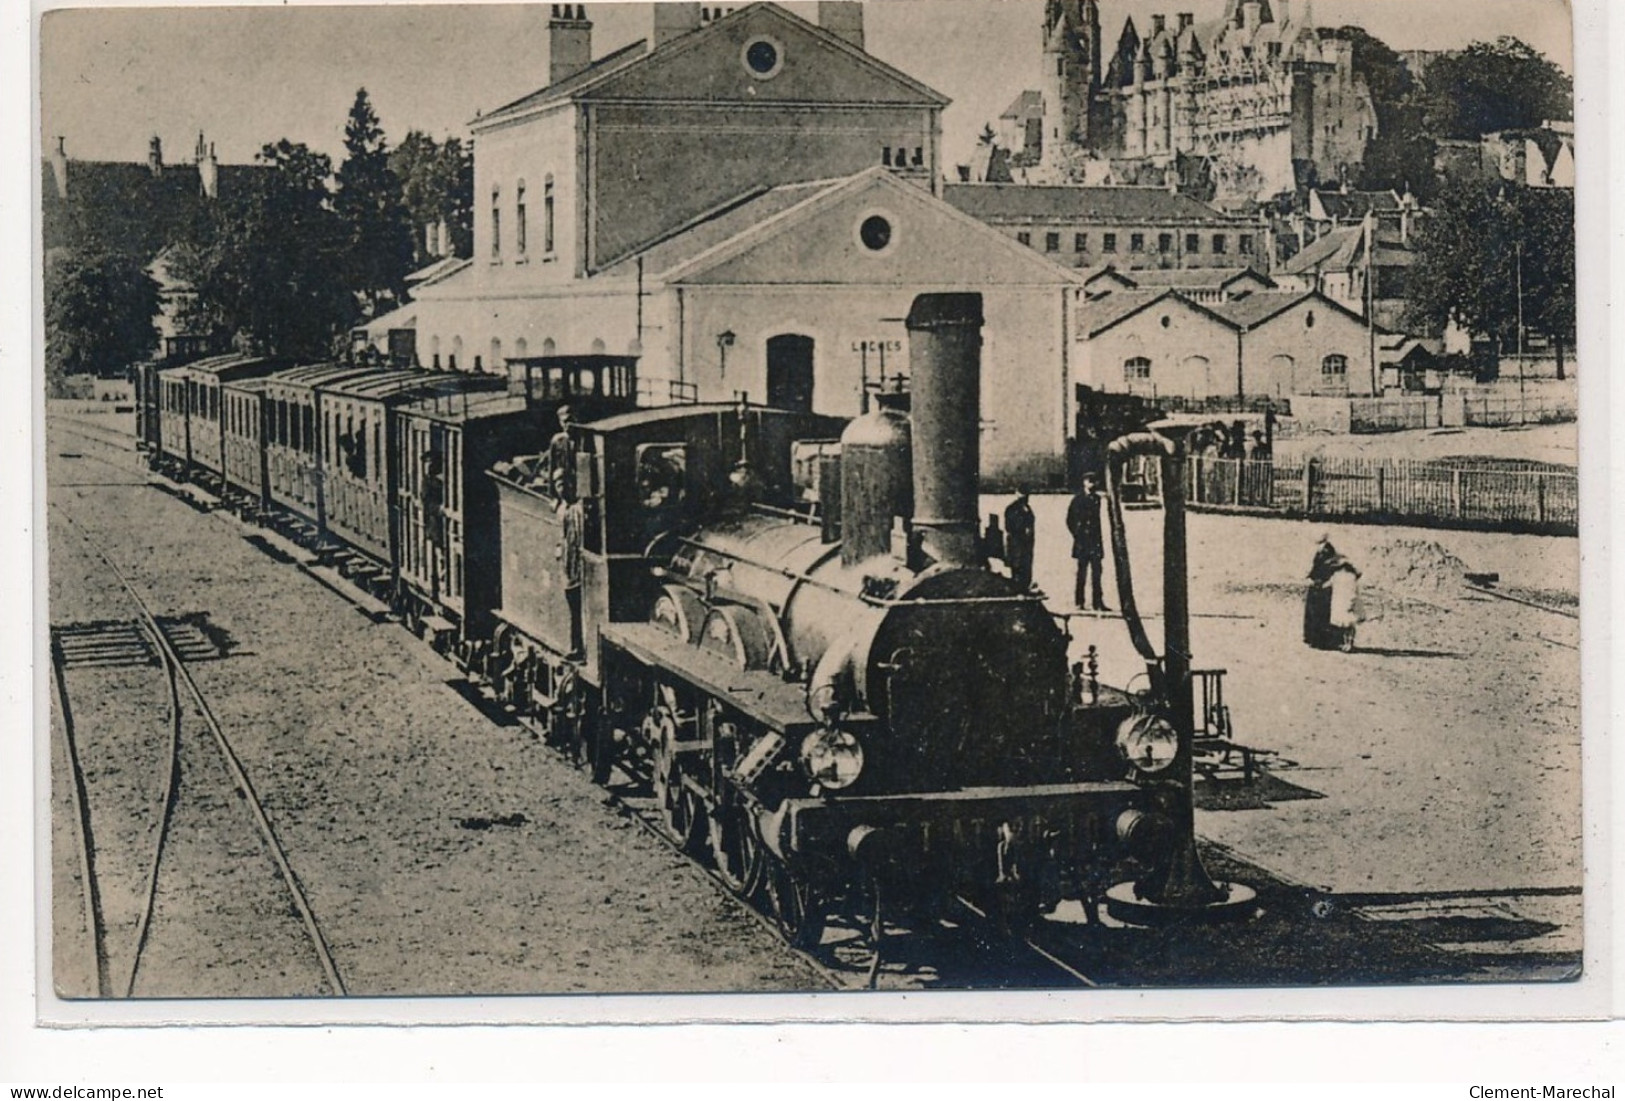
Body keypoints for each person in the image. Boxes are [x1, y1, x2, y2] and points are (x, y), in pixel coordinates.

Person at [1304, 534, 1360, 651]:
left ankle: (1321, 640)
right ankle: (1316, 639)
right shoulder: (1322, 550)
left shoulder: (1326, 550)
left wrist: (1318, 580)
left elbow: (1324, 568)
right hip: (1321, 584)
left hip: (1323, 585)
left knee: (1321, 614)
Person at [553, 467, 585, 660]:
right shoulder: (563, 508)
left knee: (576, 607)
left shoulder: (576, 510)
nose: (562, 488)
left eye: (565, 484)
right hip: (568, 565)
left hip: (576, 567)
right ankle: (575, 646)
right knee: (573, 607)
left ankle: (577, 647)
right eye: (559, 485)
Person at [1066, 472, 1108, 612]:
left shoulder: (1097, 499)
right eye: (1089, 481)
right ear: (1084, 482)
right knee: (1081, 573)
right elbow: (1069, 519)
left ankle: (1098, 602)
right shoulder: (1077, 499)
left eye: (1094, 481)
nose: (1092, 484)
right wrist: (1077, 534)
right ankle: (1079, 601)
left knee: (1097, 573)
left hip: (1095, 542)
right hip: (1083, 542)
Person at [1003, 489, 1036, 590]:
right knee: (1017, 565)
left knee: (1026, 565)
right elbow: (1009, 526)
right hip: (1017, 542)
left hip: (1026, 543)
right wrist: (1023, 529)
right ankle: (1018, 587)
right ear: (1017, 494)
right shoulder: (1012, 509)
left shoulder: (1027, 508)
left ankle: (1025, 586)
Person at [546, 405, 576, 498]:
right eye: (564, 422)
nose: (567, 424)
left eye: (569, 420)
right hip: (563, 480)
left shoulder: (580, 438)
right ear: (560, 423)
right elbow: (551, 465)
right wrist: (551, 494)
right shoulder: (557, 440)